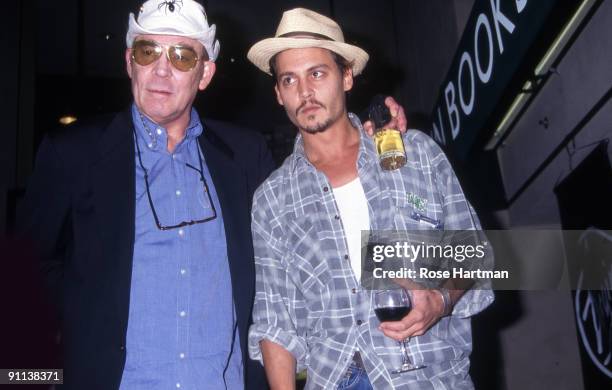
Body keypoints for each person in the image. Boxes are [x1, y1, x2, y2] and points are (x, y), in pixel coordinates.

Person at [18, 1, 405, 389]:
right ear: (128, 61)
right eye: (147, 51)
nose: (162, 69)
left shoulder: (247, 156)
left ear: (205, 74)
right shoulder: (72, 154)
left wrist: (367, 145)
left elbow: (316, 246)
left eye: (183, 56)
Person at [246, 8, 494, 389]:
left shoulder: (416, 155)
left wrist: (441, 300)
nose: (305, 92)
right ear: (278, 93)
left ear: (346, 77)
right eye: (289, 80)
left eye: (317, 73)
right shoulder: (272, 200)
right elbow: (275, 321)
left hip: (430, 378)